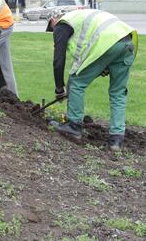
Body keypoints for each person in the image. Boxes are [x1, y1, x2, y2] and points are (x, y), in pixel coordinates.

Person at [46, 9, 137, 151]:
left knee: (76, 83)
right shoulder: (81, 16)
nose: (53, 32)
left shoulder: (62, 24)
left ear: (52, 20)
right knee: (118, 92)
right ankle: (116, 138)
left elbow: (59, 60)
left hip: (106, 43)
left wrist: (59, 89)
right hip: (127, 41)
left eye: (51, 29)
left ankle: (73, 126)